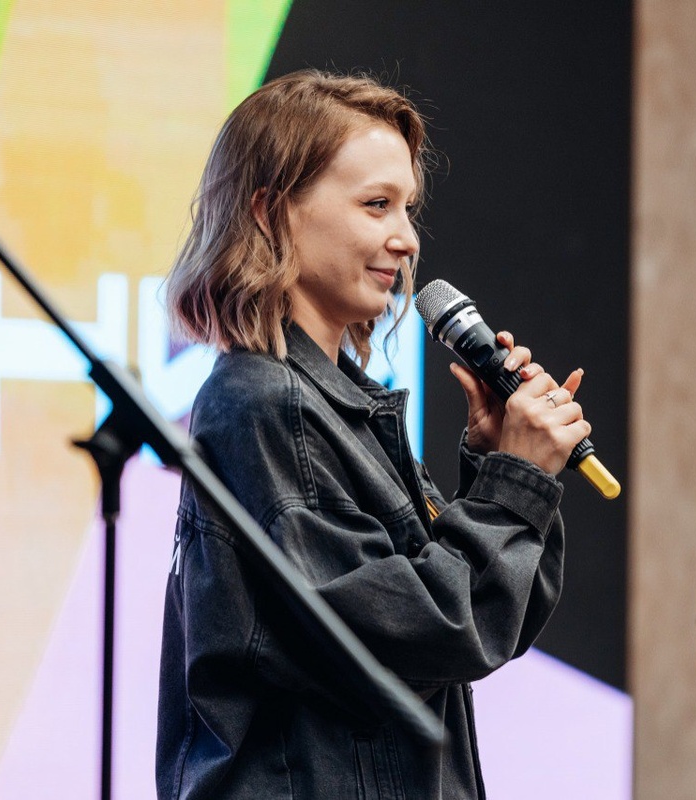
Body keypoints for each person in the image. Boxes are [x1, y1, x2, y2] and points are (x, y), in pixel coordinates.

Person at [155, 69, 591, 800]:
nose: (406, 239)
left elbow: (488, 624)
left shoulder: (329, 403)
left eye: (408, 209)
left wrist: (501, 467)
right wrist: (514, 486)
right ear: (272, 213)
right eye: (376, 205)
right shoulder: (266, 404)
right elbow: (412, 639)